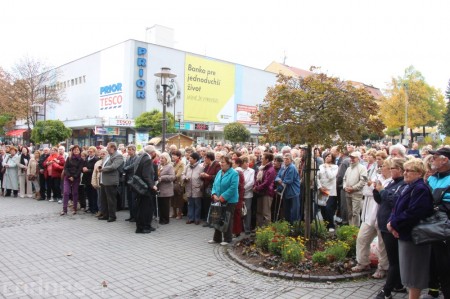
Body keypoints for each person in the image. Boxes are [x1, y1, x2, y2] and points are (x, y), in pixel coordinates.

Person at [387, 158, 434, 299]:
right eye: (405, 170)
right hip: (405, 234)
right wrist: (392, 222)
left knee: (414, 274)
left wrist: (394, 223)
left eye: (409, 171)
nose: (405, 173)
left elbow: (414, 212)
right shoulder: (409, 186)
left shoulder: (420, 188)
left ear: (419, 173)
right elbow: (397, 208)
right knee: (408, 272)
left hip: (414, 236)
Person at [373, 159, 407, 299]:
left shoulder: (403, 185)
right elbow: (382, 200)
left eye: (393, 168)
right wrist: (377, 191)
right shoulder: (392, 183)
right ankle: (398, 284)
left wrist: (382, 192)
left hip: (392, 226)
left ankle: (386, 291)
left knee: (394, 260)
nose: (390, 170)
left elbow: (395, 201)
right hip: (384, 225)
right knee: (393, 257)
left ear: (400, 169)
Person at [352, 149, 389, 278]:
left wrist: (374, 188)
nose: (381, 166)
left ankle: (383, 267)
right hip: (369, 214)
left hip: (381, 215)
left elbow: (380, 194)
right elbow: (366, 191)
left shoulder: (390, 181)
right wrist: (373, 187)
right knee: (362, 238)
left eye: (383, 164)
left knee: (382, 244)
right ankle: (363, 262)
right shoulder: (376, 175)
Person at [426, 147, 450, 299]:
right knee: (432, 260)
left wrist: (435, 206)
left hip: (445, 228)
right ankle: (432, 290)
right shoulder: (431, 178)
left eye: (435, 157)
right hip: (430, 227)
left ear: (445, 159)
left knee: (445, 264)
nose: (432, 160)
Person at [208, 155, 239, 245]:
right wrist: (213, 194)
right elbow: (214, 184)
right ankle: (216, 238)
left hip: (229, 201)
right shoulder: (219, 172)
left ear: (229, 164)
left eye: (223, 162)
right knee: (216, 218)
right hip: (217, 199)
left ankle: (227, 239)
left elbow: (233, 187)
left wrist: (222, 197)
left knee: (227, 219)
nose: (221, 164)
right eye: (220, 162)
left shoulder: (234, 173)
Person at [98, 142, 124, 222]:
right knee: (104, 199)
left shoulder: (118, 156)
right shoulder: (107, 156)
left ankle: (112, 216)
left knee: (111, 199)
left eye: (108, 147)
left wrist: (102, 169)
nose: (107, 148)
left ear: (113, 147)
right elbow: (103, 164)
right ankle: (105, 215)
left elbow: (114, 166)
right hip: (104, 180)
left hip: (111, 181)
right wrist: (101, 167)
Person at [135, 145, 158, 234]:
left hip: (139, 186)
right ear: (152, 153)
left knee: (144, 207)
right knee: (145, 208)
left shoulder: (140, 157)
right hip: (145, 188)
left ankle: (146, 225)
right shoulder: (147, 159)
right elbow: (146, 175)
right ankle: (143, 227)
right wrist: (152, 185)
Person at [343, 151, 368, 226]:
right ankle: (351, 227)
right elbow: (344, 179)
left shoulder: (362, 168)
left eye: (353, 157)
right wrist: (345, 187)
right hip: (347, 192)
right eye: (351, 157)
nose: (351, 159)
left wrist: (353, 188)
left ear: (358, 158)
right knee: (350, 212)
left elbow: (363, 181)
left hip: (356, 193)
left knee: (355, 212)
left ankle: (355, 229)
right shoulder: (348, 168)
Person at [275, 153, 301, 224]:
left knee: (294, 210)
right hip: (286, 192)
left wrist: (280, 181)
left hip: (293, 191)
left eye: (287, 159)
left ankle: (294, 225)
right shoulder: (283, 167)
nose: (285, 160)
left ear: (291, 160)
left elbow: (288, 180)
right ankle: (288, 224)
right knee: (287, 209)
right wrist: (278, 180)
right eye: (284, 159)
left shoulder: (292, 167)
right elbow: (277, 176)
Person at [316, 152, 339, 232]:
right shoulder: (320, 166)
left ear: (332, 158)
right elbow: (317, 177)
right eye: (326, 156)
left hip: (330, 191)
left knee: (328, 208)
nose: (327, 157)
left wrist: (327, 167)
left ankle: (331, 225)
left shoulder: (335, 167)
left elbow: (331, 176)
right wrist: (319, 187)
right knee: (322, 208)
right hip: (322, 189)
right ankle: (326, 224)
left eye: (329, 156)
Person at [253, 152, 277, 227]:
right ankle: (259, 229)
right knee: (259, 212)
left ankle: (267, 230)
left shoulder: (271, 170)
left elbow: (267, 182)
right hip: (260, 192)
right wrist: (255, 186)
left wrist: (257, 188)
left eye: (262, 158)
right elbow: (257, 178)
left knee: (266, 213)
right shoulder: (262, 168)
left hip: (267, 193)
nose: (261, 160)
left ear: (267, 160)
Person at [182, 152, 203, 225]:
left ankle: (197, 219)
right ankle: (190, 218)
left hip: (196, 188)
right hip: (189, 188)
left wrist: (200, 185)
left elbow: (202, 178)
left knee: (197, 204)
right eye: (189, 158)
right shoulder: (187, 166)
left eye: (191, 158)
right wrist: (185, 178)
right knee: (190, 203)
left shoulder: (200, 167)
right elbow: (183, 174)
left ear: (195, 159)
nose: (189, 159)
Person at [61, 145, 83, 215]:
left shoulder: (81, 160)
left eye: (77, 150)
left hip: (76, 178)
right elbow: (65, 168)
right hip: (67, 177)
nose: (76, 151)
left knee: (75, 193)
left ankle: (75, 208)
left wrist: (74, 176)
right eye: (75, 150)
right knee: (66, 192)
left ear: (80, 151)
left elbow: (79, 169)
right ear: (72, 151)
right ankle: (64, 209)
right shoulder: (69, 158)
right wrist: (69, 176)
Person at [200, 151, 221, 226]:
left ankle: (212, 221)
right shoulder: (207, 166)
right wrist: (202, 175)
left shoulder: (217, 165)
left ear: (209, 158)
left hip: (212, 188)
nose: (204, 159)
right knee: (206, 205)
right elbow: (205, 174)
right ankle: (207, 220)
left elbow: (217, 177)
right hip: (206, 188)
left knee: (212, 205)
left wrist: (207, 176)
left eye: (205, 158)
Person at [157, 152, 175, 225]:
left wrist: (162, 178)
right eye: (160, 158)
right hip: (160, 188)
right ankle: (161, 218)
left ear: (166, 159)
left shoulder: (169, 166)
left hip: (166, 189)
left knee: (165, 205)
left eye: (162, 158)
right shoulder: (159, 166)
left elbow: (172, 177)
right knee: (160, 205)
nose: (161, 159)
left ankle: (166, 219)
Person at [123, 145, 138, 221]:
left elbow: (132, 166)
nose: (128, 151)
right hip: (128, 180)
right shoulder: (128, 158)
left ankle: (135, 216)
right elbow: (125, 166)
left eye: (130, 150)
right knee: (129, 199)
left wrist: (126, 168)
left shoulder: (137, 158)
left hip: (133, 181)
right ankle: (131, 215)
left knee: (133, 199)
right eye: (128, 150)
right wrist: (125, 168)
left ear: (134, 150)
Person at [91, 149, 107, 217]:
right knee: (99, 198)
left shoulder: (108, 161)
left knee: (105, 198)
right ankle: (100, 211)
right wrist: (94, 183)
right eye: (101, 153)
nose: (102, 155)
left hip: (106, 183)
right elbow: (94, 173)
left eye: (104, 153)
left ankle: (105, 211)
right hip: (99, 183)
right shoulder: (97, 162)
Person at [82, 146, 99, 214]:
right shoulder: (86, 158)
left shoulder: (96, 159)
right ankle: (90, 207)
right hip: (86, 179)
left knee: (94, 194)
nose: (89, 153)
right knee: (88, 194)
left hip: (92, 179)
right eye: (88, 151)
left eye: (91, 151)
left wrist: (88, 170)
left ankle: (94, 208)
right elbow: (83, 166)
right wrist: (83, 169)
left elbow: (96, 170)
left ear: (94, 152)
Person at [241, 156, 255, 235]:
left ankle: (247, 228)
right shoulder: (238, 170)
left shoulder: (251, 171)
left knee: (247, 211)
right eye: (245, 162)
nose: (247, 164)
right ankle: (240, 228)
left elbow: (251, 182)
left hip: (248, 194)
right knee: (240, 211)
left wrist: (243, 189)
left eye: (248, 162)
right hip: (239, 194)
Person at [171, 150, 185, 219]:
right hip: (173, 183)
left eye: (174, 155)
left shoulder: (181, 163)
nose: (172, 156)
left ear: (178, 156)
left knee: (179, 199)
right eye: (172, 155)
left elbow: (178, 174)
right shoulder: (173, 163)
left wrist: (171, 177)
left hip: (179, 184)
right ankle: (174, 213)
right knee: (173, 198)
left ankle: (180, 213)